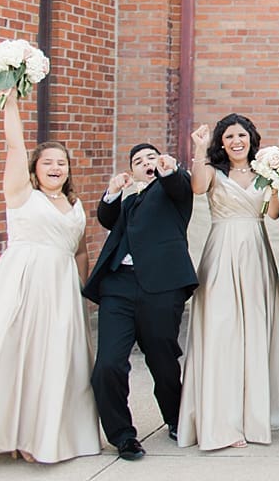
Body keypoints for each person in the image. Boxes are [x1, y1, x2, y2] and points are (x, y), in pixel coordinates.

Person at [0, 93, 100, 463]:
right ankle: (13, 434)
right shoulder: (22, 195)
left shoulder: (75, 205)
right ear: (34, 168)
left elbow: (80, 251)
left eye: (61, 163)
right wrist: (12, 102)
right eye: (47, 162)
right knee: (17, 356)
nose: (55, 167)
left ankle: (43, 436)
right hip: (24, 282)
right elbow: (15, 146)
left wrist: (81, 294)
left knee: (55, 362)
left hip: (62, 289)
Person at [176, 114, 279, 449]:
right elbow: (197, 187)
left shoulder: (263, 173)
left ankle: (257, 413)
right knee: (222, 331)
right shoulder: (213, 171)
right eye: (229, 136)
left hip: (256, 253)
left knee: (256, 327)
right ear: (221, 142)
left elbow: (272, 212)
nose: (236, 141)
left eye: (241, 135)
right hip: (222, 252)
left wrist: (277, 181)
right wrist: (199, 148)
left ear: (251, 139)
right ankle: (223, 419)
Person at [85, 141, 197, 460]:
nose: (146, 162)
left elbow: (178, 185)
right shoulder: (130, 200)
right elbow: (107, 219)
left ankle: (175, 419)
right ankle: (123, 435)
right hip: (118, 285)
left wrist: (168, 170)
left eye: (151, 157)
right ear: (132, 172)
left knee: (163, 361)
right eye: (138, 161)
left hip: (162, 286)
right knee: (108, 364)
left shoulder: (174, 190)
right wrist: (112, 192)